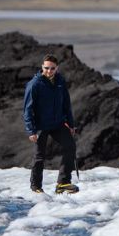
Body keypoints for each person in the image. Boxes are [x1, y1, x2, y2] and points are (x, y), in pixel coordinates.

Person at [23, 54, 79, 194]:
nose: (49, 71)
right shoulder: (34, 84)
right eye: (46, 68)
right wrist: (31, 130)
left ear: (57, 68)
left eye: (52, 68)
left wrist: (71, 125)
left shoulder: (60, 81)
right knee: (39, 156)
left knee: (70, 146)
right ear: (42, 67)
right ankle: (36, 187)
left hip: (57, 123)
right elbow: (27, 109)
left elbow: (66, 104)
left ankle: (63, 182)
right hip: (40, 126)